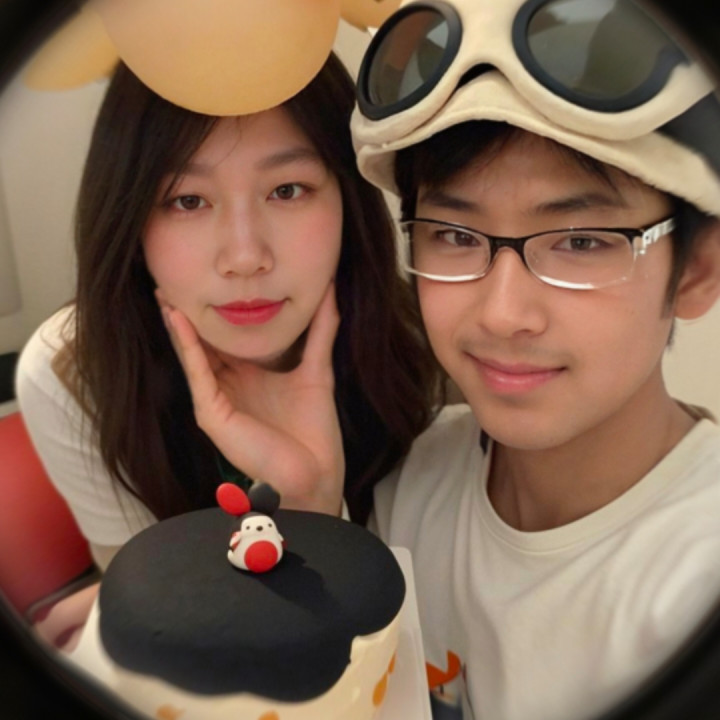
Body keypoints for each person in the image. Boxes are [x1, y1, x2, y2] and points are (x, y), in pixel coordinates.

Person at [347, 0, 720, 719]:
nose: (502, 313)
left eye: (580, 242)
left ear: (698, 270)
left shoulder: (693, 585)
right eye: (455, 235)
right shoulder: (414, 478)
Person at [15, 51, 438, 582]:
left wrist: (312, 501)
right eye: (187, 200)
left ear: (349, 201)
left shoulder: (421, 344)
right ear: (129, 217)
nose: (244, 257)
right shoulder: (75, 376)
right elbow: (148, 593)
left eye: (287, 190)